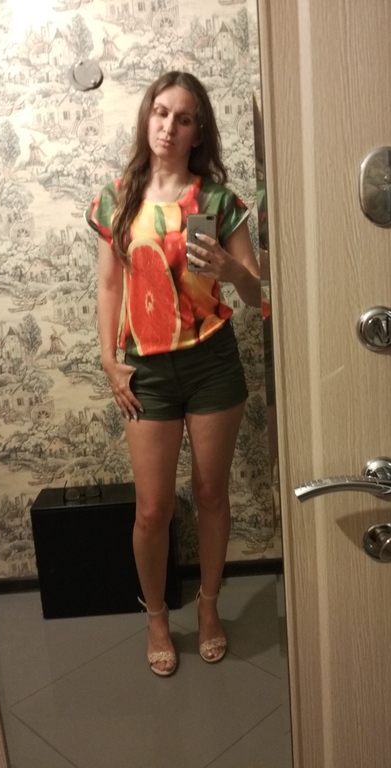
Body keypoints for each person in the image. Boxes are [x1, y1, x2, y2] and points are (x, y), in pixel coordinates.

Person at [86, 71, 261, 677]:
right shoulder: (117, 198)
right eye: (160, 113)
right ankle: (157, 615)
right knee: (152, 510)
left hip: (212, 362)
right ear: (147, 118)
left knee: (211, 494)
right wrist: (109, 359)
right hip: (145, 369)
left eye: (183, 118)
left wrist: (232, 272)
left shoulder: (218, 202)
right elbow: (110, 285)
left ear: (197, 132)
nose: (168, 126)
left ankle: (209, 607)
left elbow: (258, 293)